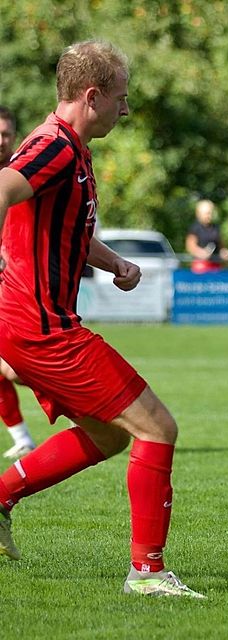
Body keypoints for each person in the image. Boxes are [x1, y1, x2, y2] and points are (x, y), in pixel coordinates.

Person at [0, 40, 203, 598]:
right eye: (122, 97)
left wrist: (114, 262)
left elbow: (64, 228)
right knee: (157, 427)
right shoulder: (55, 146)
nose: (127, 109)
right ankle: (148, 572)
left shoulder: (69, 149)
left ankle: (0, 495)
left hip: (32, 325)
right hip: (43, 328)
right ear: (92, 96)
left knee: (110, 436)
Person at [0, 106, 37, 460]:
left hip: (24, 289)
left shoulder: (25, 172)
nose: (0, 140)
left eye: (6, 133)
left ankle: (90, 409)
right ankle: (23, 437)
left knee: (18, 370)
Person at [185, 199, 228, 274]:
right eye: (206, 213)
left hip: (216, 266)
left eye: (210, 213)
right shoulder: (195, 228)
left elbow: (221, 245)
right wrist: (201, 253)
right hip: (200, 266)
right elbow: (190, 246)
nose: (209, 216)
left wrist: (224, 252)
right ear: (199, 214)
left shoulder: (216, 227)